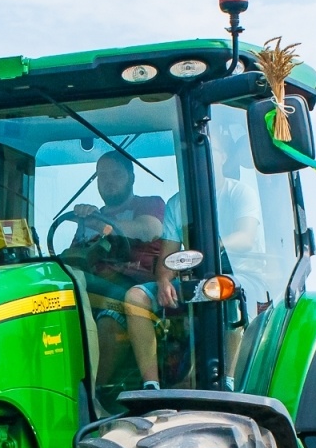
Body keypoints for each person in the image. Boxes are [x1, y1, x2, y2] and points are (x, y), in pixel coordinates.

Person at [124, 129, 265, 390]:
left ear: (223, 157)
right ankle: (151, 385)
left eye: (212, 152)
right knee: (136, 296)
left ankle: (228, 382)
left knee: (224, 289)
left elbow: (245, 238)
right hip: (195, 280)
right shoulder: (177, 204)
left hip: (240, 275)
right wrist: (165, 280)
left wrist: (215, 245)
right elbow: (167, 255)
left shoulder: (239, 193)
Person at [72, 152, 166, 387]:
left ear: (132, 178)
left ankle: (93, 398)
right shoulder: (93, 216)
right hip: (93, 290)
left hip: (136, 289)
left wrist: (99, 224)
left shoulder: (150, 204)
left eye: (115, 174)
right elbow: (75, 258)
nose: (108, 181)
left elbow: (148, 230)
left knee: (107, 319)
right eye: (102, 175)